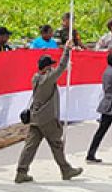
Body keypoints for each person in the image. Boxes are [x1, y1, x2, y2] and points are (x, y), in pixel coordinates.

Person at [15, 42, 83, 183]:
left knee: (30, 146)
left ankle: (21, 171)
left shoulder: (36, 78)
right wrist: (67, 50)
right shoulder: (47, 79)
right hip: (47, 119)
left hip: (36, 117)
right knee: (56, 145)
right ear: (46, 67)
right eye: (50, 65)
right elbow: (61, 67)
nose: (52, 67)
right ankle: (66, 170)